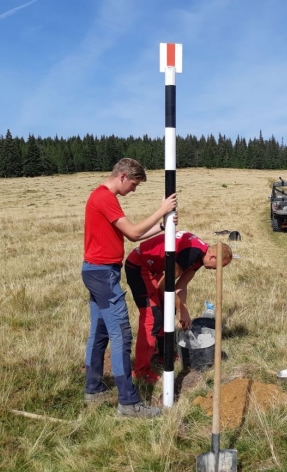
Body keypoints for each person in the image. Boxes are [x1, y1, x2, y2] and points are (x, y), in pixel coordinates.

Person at [82, 157, 176, 418]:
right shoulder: (104, 198)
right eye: (134, 184)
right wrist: (162, 209)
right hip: (103, 274)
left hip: (96, 271)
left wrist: (161, 227)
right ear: (122, 176)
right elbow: (134, 233)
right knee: (121, 334)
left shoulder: (101, 197)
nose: (133, 190)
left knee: (100, 332)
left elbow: (129, 234)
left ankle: (93, 389)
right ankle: (129, 403)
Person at [125, 231, 233, 383]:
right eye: (218, 267)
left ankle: (163, 354)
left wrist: (183, 309)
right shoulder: (191, 254)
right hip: (139, 266)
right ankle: (141, 371)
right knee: (152, 317)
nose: (215, 271)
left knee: (168, 308)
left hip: (154, 270)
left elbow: (181, 285)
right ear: (213, 257)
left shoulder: (199, 256)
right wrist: (182, 311)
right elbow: (165, 285)